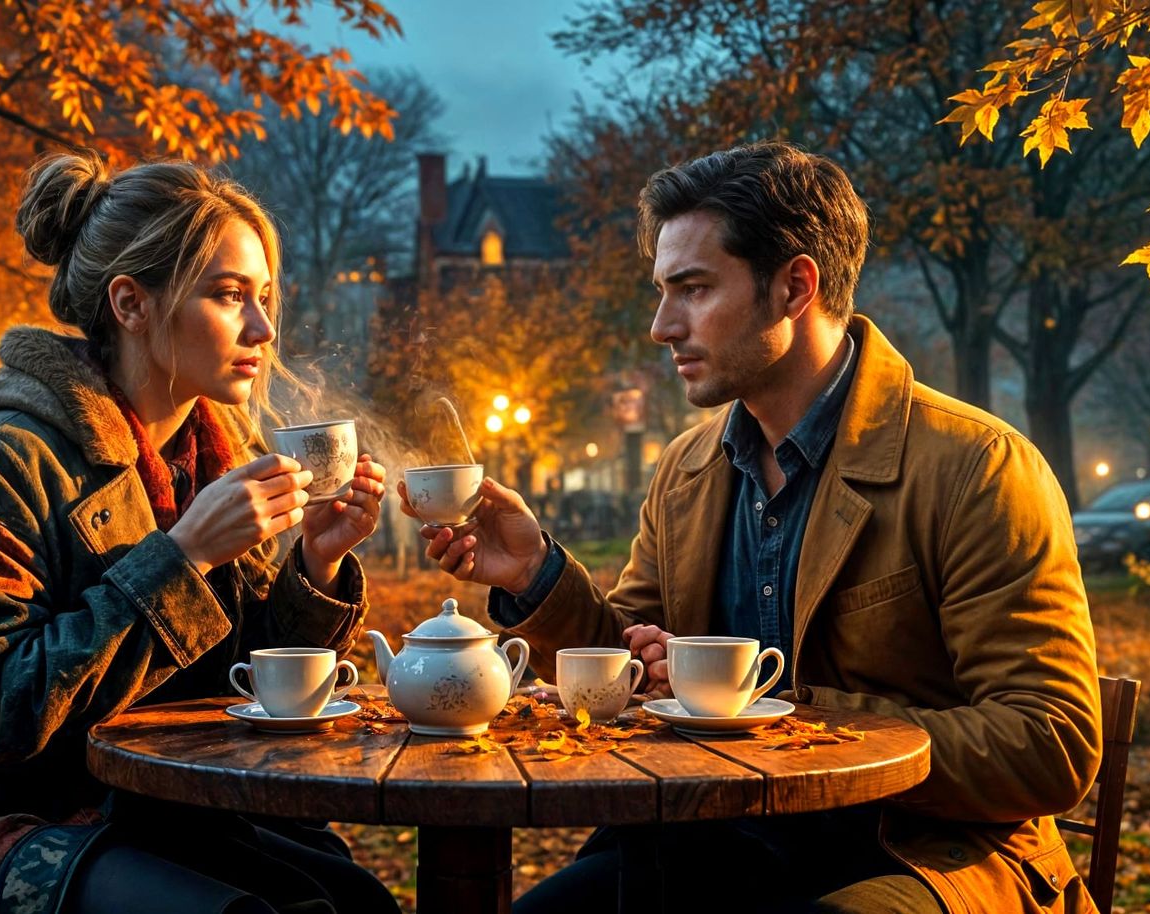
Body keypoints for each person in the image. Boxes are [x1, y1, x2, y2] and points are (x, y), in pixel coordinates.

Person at [402, 143, 1101, 913]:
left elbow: (1050, 743)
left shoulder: (978, 467)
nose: (662, 325)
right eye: (664, 291)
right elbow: (626, 668)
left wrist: (779, 718)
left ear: (794, 287)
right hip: (711, 842)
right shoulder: (687, 469)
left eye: (693, 289)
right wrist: (536, 576)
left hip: (924, 857)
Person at [0, 150, 396, 914]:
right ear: (131, 303)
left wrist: (317, 565)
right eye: (230, 295)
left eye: (265, 296)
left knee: (349, 898)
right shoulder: (1, 463)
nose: (264, 328)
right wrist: (184, 555)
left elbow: (233, 685)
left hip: (115, 805)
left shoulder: (211, 462)